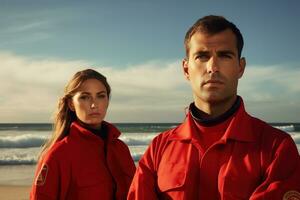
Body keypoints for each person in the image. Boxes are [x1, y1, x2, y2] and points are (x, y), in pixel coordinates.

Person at [128, 15, 300, 200]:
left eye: (225, 55)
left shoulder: (277, 148)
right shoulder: (158, 149)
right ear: (186, 69)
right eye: (202, 56)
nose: (213, 67)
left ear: (240, 67)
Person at [30, 69, 136, 200]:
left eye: (101, 96)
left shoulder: (121, 149)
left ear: (107, 101)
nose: (94, 104)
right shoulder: (58, 154)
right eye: (85, 97)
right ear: (71, 104)